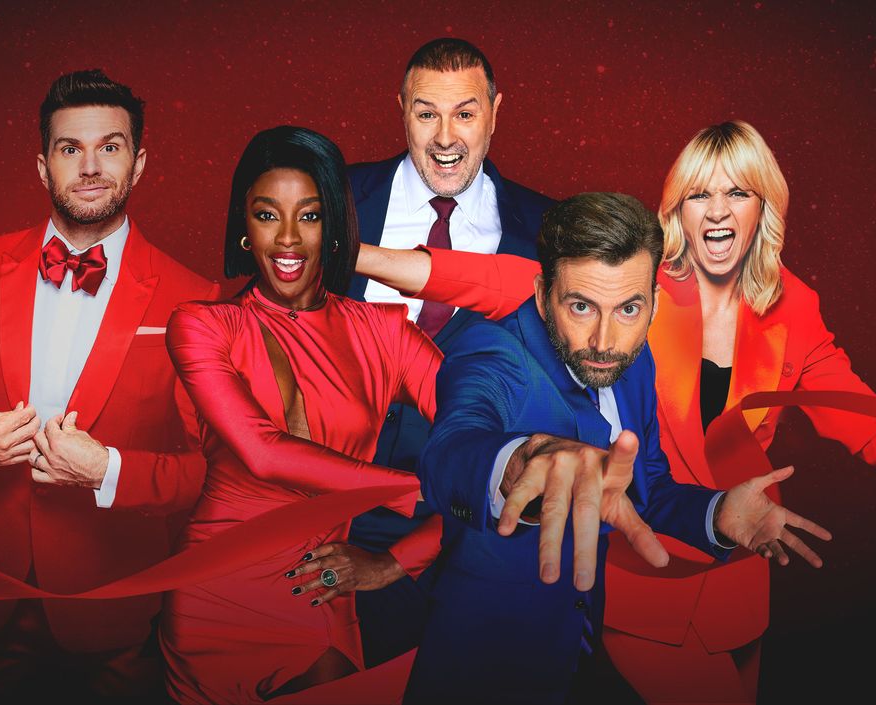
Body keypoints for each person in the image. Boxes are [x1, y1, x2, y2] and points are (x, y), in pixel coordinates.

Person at [357, 120, 876, 703]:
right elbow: (482, 299)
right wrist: (350, 257)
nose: (719, 211)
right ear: (678, 208)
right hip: (631, 581)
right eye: (701, 193)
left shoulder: (788, 309)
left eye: (738, 192)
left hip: (731, 566)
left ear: (766, 206)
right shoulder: (625, 291)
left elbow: (856, 412)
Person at [402, 191, 831, 705]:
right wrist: (522, 462)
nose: (605, 339)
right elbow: (453, 447)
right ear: (542, 296)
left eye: (630, 308)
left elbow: (648, 488)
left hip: (578, 656)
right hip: (480, 665)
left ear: (652, 300)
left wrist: (716, 513)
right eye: (581, 306)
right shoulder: (492, 353)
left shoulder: (634, 361)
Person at [0, 69, 218, 696]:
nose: (90, 167)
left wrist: (107, 471)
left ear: (139, 163)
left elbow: (212, 470)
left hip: (114, 612)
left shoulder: (194, 299)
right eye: (70, 149)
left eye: (109, 147)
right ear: (43, 167)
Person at [160, 126, 445, 705]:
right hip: (211, 595)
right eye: (267, 215)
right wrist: (428, 490)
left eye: (309, 216)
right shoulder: (202, 326)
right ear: (244, 227)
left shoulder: (386, 332)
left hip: (317, 594)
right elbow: (264, 453)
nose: (287, 238)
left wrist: (394, 562)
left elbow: (483, 448)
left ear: (334, 226)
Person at [344, 37, 554, 667]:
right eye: (426, 112)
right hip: (343, 517)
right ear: (400, 107)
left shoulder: (547, 230)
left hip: (488, 527)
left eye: (464, 112)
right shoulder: (334, 204)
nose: (445, 136)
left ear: (495, 109)